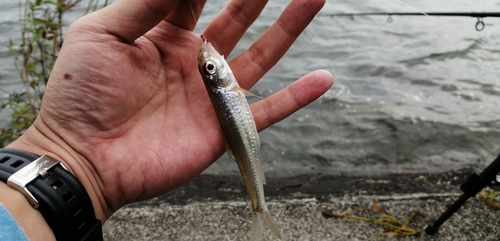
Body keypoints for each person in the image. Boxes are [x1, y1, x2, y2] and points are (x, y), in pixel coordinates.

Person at [0, 0, 333, 240]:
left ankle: (259, 206)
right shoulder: (228, 86)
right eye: (211, 68)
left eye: (210, 68)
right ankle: (259, 208)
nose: (212, 62)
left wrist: (67, 156)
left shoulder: (225, 86)